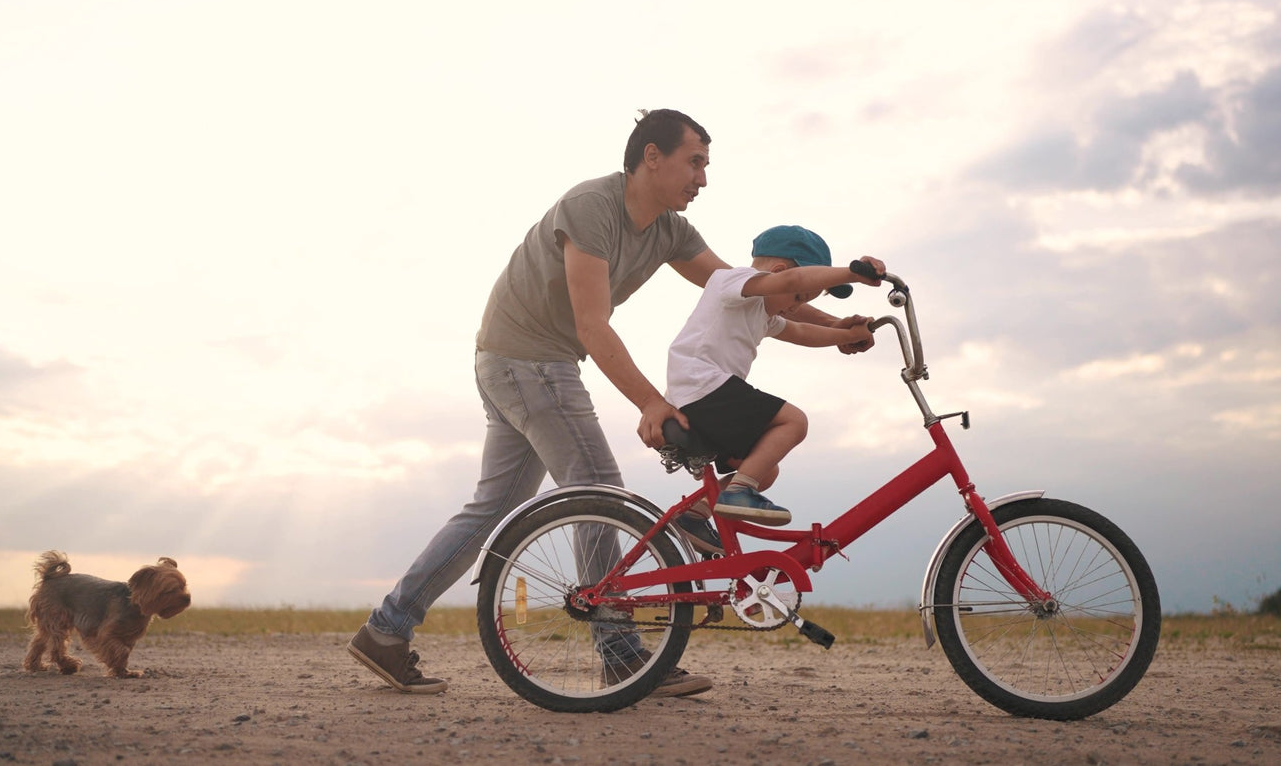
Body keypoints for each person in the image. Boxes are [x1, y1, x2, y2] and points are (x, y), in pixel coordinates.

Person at [348, 110, 876, 697]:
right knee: (597, 489)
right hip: (529, 360)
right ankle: (622, 655)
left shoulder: (670, 229)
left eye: (706, 166)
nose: (702, 179)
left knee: (491, 507)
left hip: (520, 362)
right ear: (652, 156)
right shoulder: (592, 207)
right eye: (694, 162)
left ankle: (386, 631)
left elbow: (757, 295)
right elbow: (592, 325)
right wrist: (652, 402)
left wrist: (838, 326)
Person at [665, 225, 882, 525]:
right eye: (799, 297)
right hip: (700, 386)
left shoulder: (762, 313)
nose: (796, 307)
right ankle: (738, 491)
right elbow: (792, 280)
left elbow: (802, 331)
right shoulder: (731, 281)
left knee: (765, 470)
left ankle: (695, 517)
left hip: (703, 395)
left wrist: (842, 333)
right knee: (794, 421)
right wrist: (852, 273)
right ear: (777, 272)